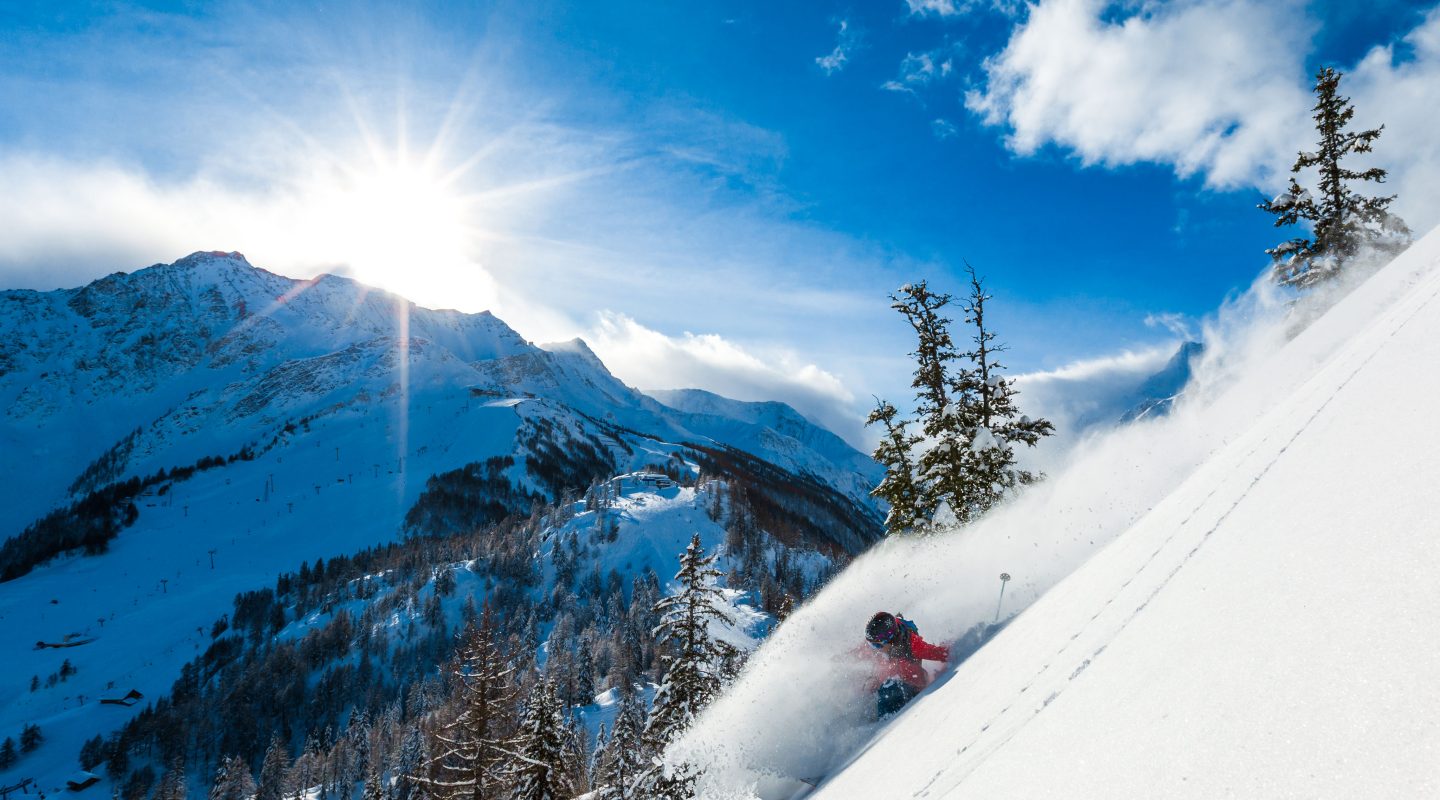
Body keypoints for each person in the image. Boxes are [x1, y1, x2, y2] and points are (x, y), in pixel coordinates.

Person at [863, 611, 950, 718]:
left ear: (889, 641)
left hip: (912, 686)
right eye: (871, 644)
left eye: (876, 645)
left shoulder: (913, 646)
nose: (875, 648)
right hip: (894, 679)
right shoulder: (887, 635)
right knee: (873, 684)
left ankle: (885, 721)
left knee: (889, 688)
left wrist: (958, 647)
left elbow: (943, 653)